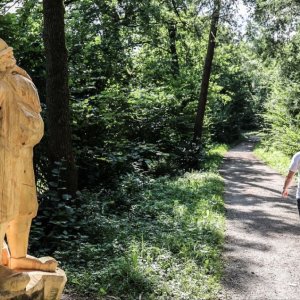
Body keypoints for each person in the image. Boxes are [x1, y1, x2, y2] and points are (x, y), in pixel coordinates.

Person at [0, 38, 57, 275]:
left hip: (23, 153)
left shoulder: (19, 79)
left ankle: (19, 257)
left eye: (8, 52)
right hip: (4, 154)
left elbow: (34, 112)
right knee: (3, 206)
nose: (9, 56)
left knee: (25, 207)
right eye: (4, 54)